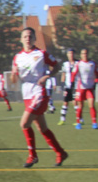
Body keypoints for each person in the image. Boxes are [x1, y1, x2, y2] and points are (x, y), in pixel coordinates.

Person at [11, 27, 68, 168]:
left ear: (35, 38)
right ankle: (60, 152)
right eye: (25, 36)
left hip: (39, 92)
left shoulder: (41, 54)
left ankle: (33, 156)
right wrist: (13, 75)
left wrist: (47, 76)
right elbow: (14, 79)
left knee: (24, 124)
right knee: (42, 127)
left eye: (30, 36)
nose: (27, 38)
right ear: (21, 39)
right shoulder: (18, 57)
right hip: (27, 94)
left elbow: (57, 66)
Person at [71, 48, 98, 129]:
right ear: (81, 55)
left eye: (86, 53)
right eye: (83, 53)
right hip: (81, 88)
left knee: (91, 105)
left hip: (89, 88)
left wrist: (95, 82)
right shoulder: (78, 64)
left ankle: (94, 123)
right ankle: (78, 123)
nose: (85, 55)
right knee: (80, 106)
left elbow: (97, 74)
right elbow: (73, 74)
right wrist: (72, 84)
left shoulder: (93, 64)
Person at [57, 48, 77, 125]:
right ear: (67, 55)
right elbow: (63, 74)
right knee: (65, 102)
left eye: (72, 53)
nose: (71, 55)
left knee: (75, 102)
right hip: (68, 86)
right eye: (69, 53)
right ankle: (62, 119)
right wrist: (62, 85)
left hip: (75, 86)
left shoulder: (78, 63)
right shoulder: (65, 64)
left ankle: (79, 119)